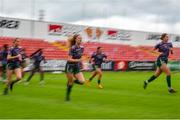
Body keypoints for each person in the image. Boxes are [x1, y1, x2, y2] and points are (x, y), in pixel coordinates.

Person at [65, 34, 85, 101]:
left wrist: (82, 64)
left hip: (76, 66)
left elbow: (80, 57)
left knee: (82, 82)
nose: (80, 39)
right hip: (70, 66)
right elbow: (68, 59)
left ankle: (71, 79)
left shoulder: (82, 48)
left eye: (81, 38)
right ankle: (67, 97)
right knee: (70, 83)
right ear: (75, 39)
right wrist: (78, 60)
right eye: (79, 38)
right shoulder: (72, 48)